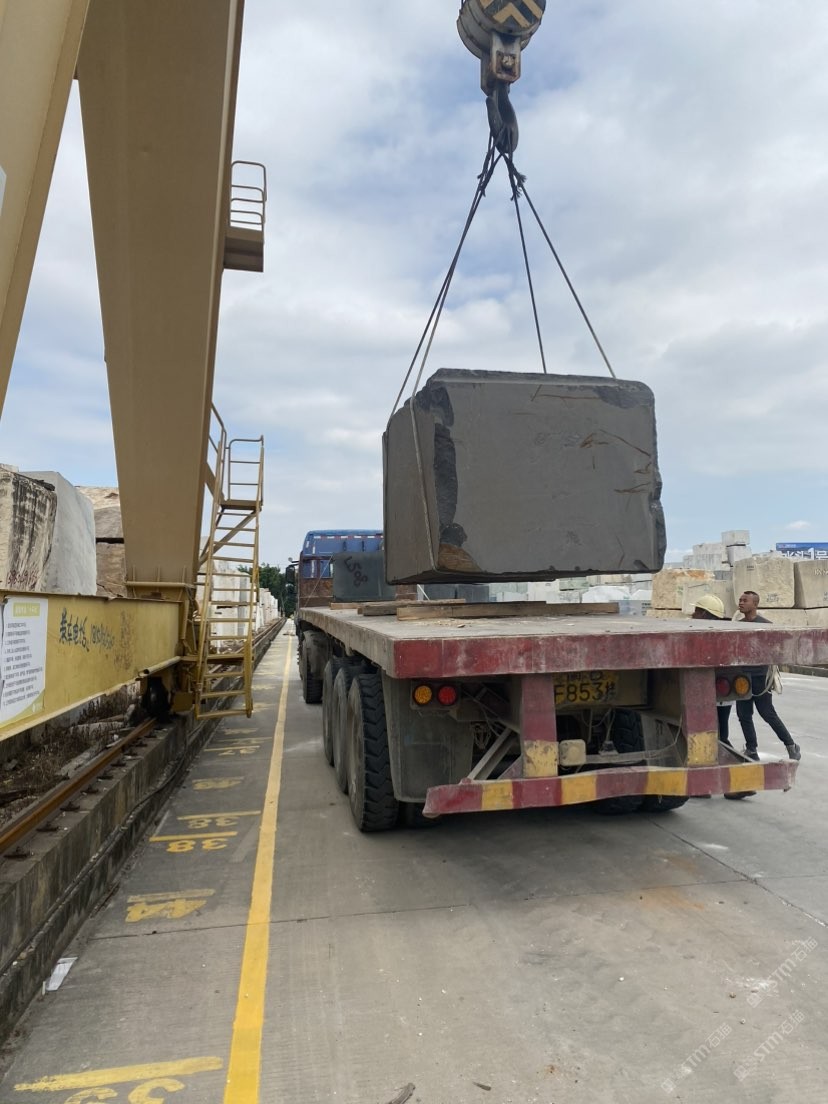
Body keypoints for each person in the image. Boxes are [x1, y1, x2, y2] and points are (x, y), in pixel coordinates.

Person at [734, 590, 801, 761]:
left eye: (745, 600)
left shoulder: (766, 625)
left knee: (767, 713)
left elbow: (777, 649)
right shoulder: (736, 626)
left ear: (755, 604)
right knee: (744, 715)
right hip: (742, 678)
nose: (741, 603)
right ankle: (751, 749)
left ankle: (791, 745)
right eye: (740, 600)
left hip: (760, 677)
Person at [691, 595, 734, 745]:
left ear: (703, 613)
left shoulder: (699, 633)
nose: (693, 614)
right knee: (721, 730)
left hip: (715, 690)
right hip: (722, 691)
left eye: (696, 611)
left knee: (719, 733)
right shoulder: (725, 632)